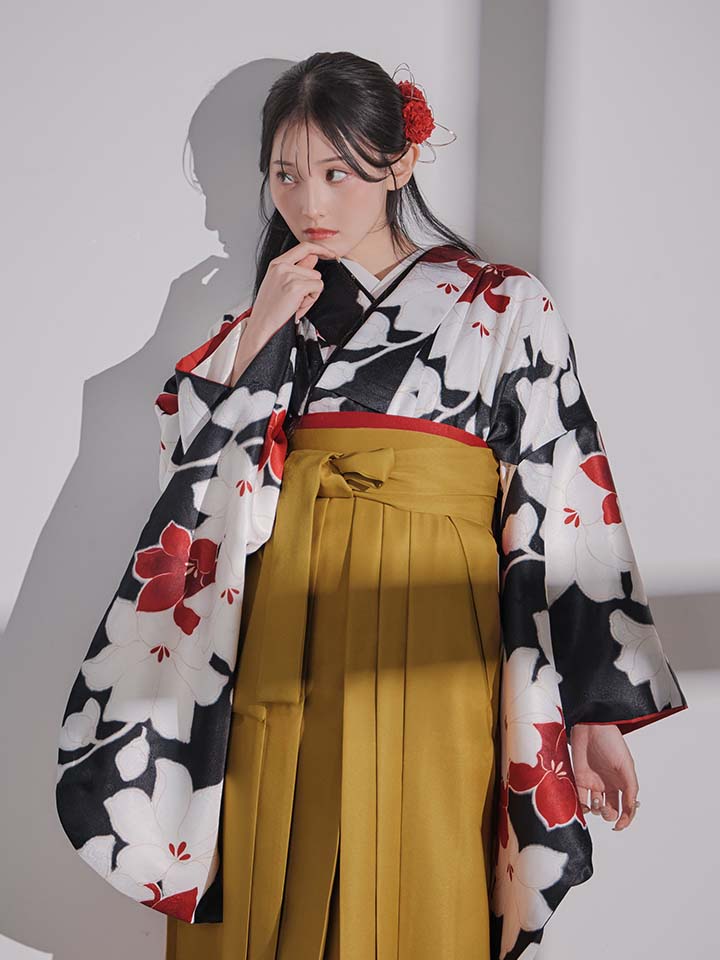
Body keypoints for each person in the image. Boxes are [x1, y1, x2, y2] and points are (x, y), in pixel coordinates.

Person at [55, 52, 688, 960]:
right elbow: (193, 492)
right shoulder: (268, 317)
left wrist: (592, 709)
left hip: (434, 633)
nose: (309, 202)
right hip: (277, 628)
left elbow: (566, 498)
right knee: (264, 843)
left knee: (417, 853)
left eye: (337, 172)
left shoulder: (504, 303)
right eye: (286, 175)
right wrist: (261, 334)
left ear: (400, 162)